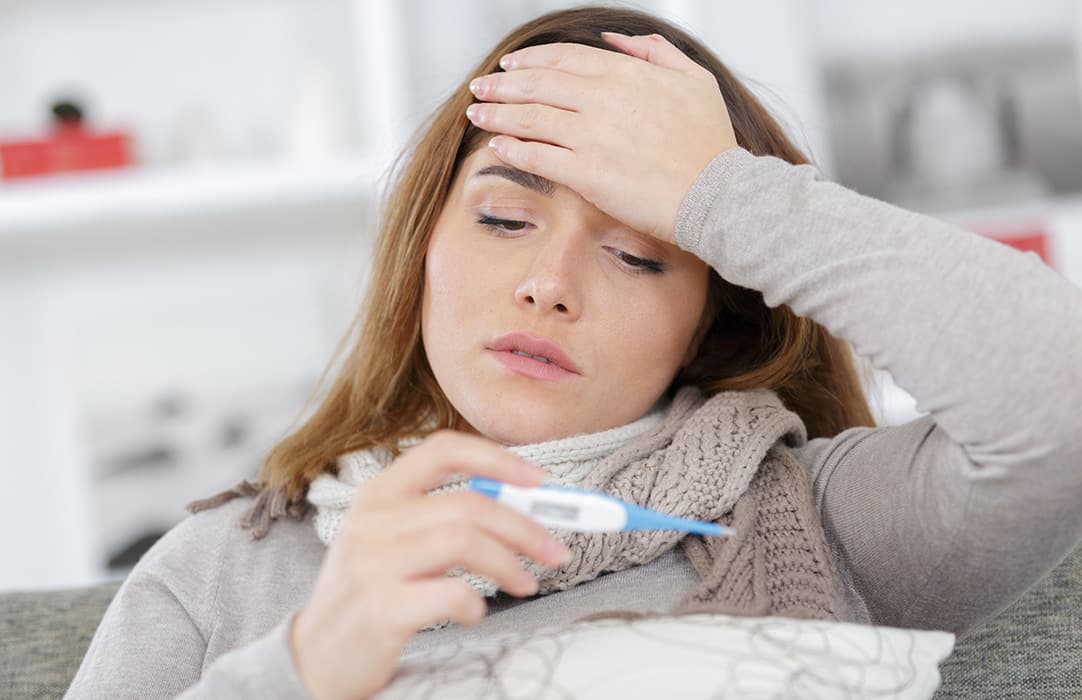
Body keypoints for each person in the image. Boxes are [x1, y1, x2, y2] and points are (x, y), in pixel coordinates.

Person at [65, 6, 1082, 699]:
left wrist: (725, 194)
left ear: (711, 319)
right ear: (422, 246)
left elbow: (1057, 393)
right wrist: (301, 664)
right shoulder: (215, 575)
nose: (550, 282)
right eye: (504, 218)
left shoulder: (827, 521)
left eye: (639, 253)